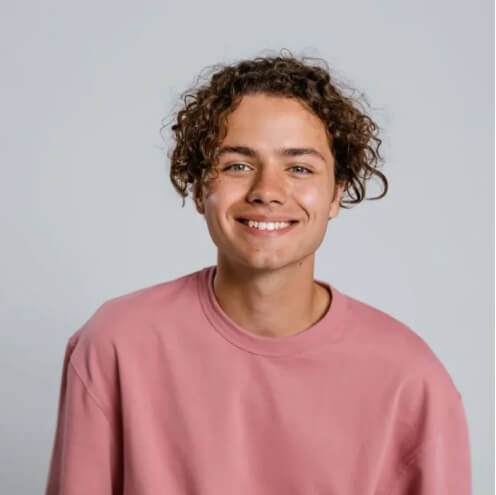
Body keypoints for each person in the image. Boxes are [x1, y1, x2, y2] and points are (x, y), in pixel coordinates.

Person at [44, 51, 472, 494]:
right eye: (238, 166)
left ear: (335, 195)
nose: (267, 191)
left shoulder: (410, 380)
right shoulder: (116, 345)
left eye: (299, 168)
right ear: (199, 190)